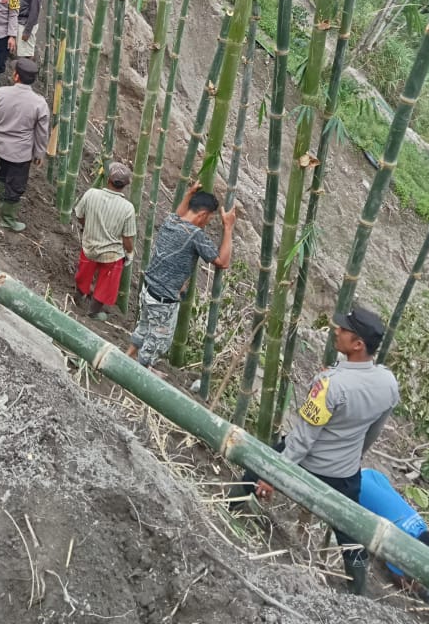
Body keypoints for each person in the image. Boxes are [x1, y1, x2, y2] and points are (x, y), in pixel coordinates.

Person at [243, 306, 400, 596]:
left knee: (252, 469)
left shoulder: (330, 384)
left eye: (344, 330)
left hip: (309, 463)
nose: (336, 331)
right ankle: (359, 590)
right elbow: (373, 432)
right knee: (351, 533)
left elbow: (302, 440)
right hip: (345, 473)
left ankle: (228, 512)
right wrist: (354, 456)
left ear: (358, 344)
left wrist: (273, 474)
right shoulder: (387, 382)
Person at [126, 181, 236, 370]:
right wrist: (228, 228)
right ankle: (139, 373)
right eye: (209, 219)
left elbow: (180, 212)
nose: (207, 223)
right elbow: (222, 262)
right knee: (157, 342)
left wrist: (190, 193)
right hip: (163, 301)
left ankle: (128, 355)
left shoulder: (171, 220)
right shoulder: (195, 235)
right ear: (202, 215)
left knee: (143, 328)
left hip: (148, 290)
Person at [0, 58, 49, 232]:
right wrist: (39, 153)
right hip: (21, 153)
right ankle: (7, 219)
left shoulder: (0, 94)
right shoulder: (39, 103)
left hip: (1, 147)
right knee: (16, 185)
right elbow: (41, 133)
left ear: (16, 76)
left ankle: (0, 203)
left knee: (3, 175)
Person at [359, 468, 429, 586]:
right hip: (354, 484)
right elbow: (397, 576)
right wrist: (418, 588)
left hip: (372, 475)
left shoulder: (421, 525)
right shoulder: (399, 537)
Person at [74, 162, 137, 320]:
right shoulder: (128, 208)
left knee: (84, 274)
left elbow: (79, 215)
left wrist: (88, 226)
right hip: (112, 255)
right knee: (106, 283)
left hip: (89, 246)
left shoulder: (91, 194)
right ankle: (93, 311)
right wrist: (130, 252)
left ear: (108, 179)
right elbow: (127, 237)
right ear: (125, 185)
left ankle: (78, 298)